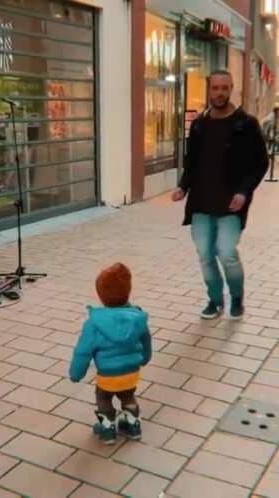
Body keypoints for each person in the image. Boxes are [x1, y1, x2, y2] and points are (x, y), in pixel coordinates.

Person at [172, 70, 268, 320]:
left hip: (231, 206)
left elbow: (260, 163)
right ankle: (215, 301)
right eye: (215, 88)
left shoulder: (246, 124)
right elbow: (191, 162)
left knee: (226, 253)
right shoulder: (200, 124)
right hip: (201, 204)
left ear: (231, 88)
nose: (219, 93)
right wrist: (183, 187)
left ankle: (236, 298)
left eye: (224, 88)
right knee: (205, 256)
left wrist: (244, 192)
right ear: (209, 90)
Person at [69, 263, 152, 445]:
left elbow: (82, 352)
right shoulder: (138, 318)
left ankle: (107, 428)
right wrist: (145, 358)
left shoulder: (94, 323)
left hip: (107, 375)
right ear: (128, 292)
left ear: (100, 296)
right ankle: (132, 424)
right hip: (132, 372)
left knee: (103, 398)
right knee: (128, 395)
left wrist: (76, 374)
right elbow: (146, 340)